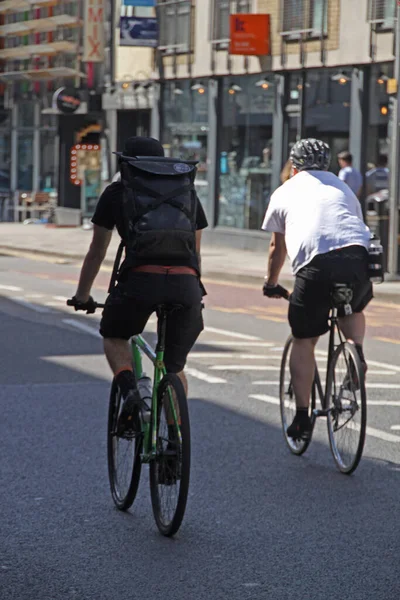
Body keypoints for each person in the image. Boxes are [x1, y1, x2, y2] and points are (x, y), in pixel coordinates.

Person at [69, 136, 207, 434]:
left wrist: (83, 294)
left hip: (140, 280)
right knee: (174, 367)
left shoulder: (117, 192)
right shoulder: (186, 192)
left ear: (125, 163)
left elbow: (97, 251)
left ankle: (130, 390)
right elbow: (195, 252)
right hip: (186, 284)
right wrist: (194, 291)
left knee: (115, 335)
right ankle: (174, 443)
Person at [262, 138, 372, 440]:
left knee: (304, 339)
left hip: (316, 265)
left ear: (293, 166)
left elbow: (277, 247)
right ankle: (355, 352)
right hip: (357, 260)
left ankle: (301, 418)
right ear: (326, 164)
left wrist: (271, 283)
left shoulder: (285, 190)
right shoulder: (342, 187)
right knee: (352, 306)